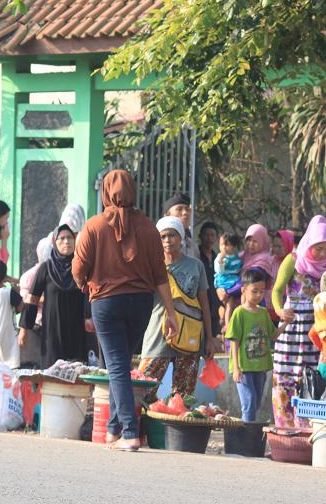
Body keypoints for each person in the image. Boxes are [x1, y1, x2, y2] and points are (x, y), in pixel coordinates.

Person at [73, 170, 178, 452]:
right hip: (142, 304)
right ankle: (113, 429)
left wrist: (85, 284)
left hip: (106, 303)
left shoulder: (94, 226)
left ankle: (130, 433)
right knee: (119, 364)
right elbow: (160, 275)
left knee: (117, 366)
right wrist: (171, 312)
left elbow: (78, 269)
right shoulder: (147, 228)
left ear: (106, 191)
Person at [139, 216, 219, 397]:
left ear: (181, 237)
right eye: (163, 236)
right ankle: (143, 425)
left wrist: (209, 338)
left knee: (183, 396)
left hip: (189, 335)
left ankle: (178, 426)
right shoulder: (150, 266)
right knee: (143, 388)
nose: (167, 240)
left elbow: (204, 304)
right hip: (158, 333)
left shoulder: (196, 266)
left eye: (172, 235)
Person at [271, 215, 326, 428]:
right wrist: (280, 310)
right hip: (291, 331)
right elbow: (277, 290)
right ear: (310, 243)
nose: (323, 254)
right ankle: (284, 433)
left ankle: (307, 435)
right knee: (284, 380)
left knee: (311, 380)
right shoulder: (293, 259)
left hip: (315, 333)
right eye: (319, 248)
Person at [226, 269, 292, 422]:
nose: (258, 295)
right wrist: (236, 368)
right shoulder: (239, 313)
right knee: (249, 403)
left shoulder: (263, 312)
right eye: (254, 291)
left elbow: (273, 335)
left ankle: (247, 432)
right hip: (244, 368)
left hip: (260, 367)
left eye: (262, 291)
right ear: (244, 290)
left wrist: (285, 323)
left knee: (256, 403)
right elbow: (234, 341)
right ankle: (247, 437)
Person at [22, 224, 90, 368]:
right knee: (52, 373)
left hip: (77, 330)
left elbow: (91, 295)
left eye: (70, 238)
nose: (66, 242)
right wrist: (24, 329)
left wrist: (90, 318)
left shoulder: (82, 268)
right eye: (62, 238)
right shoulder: (46, 269)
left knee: (76, 372)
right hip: (52, 331)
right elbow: (32, 299)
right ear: (54, 242)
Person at [221, 224, 276, 329]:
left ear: (263, 242)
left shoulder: (263, 260)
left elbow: (248, 281)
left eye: (255, 241)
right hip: (235, 305)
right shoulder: (243, 255)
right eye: (248, 240)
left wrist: (227, 292)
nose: (251, 244)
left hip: (253, 305)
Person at [198, 221, 222, 337]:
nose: (209, 238)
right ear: (200, 236)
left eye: (212, 235)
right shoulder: (196, 256)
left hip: (215, 306)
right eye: (206, 235)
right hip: (199, 305)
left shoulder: (219, 259)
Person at [163, 192, 199, 258]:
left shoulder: (193, 247)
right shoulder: (158, 242)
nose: (185, 213)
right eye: (179, 209)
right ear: (167, 215)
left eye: (187, 209)